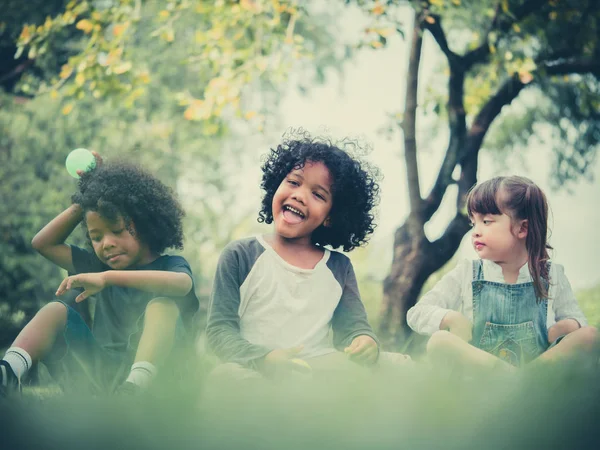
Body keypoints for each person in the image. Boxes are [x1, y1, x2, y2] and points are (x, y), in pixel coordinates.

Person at [0, 154, 198, 397]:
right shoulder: (98, 265)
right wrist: (88, 197)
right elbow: (43, 243)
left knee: (162, 306)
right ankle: (8, 373)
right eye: (96, 237)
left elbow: (182, 284)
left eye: (116, 231)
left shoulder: (169, 265)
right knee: (55, 311)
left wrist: (107, 278)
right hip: (101, 378)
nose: (107, 243)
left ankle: (135, 389)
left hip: (159, 385)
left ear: (146, 224)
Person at [206, 131, 397, 380]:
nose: (299, 195)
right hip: (255, 369)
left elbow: (352, 328)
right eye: (294, 182)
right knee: (223, 378)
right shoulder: (240, 255)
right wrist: (263, 359)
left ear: (330, 216)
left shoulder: (339, 267)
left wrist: (363, 341)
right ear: (277, 185)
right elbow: (219, 331)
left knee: (397, 364)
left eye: (318, 195)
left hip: (317, 370)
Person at [407, 175, 597, 369]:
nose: (476, 232)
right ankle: (516, 381)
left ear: (522, 228)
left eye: (487, 221)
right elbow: (417, 313)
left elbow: (579, 320)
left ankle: (524, 380)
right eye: (474, 223)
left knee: (590, 335)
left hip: (539, 372)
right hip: (481, 376)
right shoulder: (467, 273)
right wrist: (450, 317)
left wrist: (570, 325)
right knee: (439, 341)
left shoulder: (551, 275)